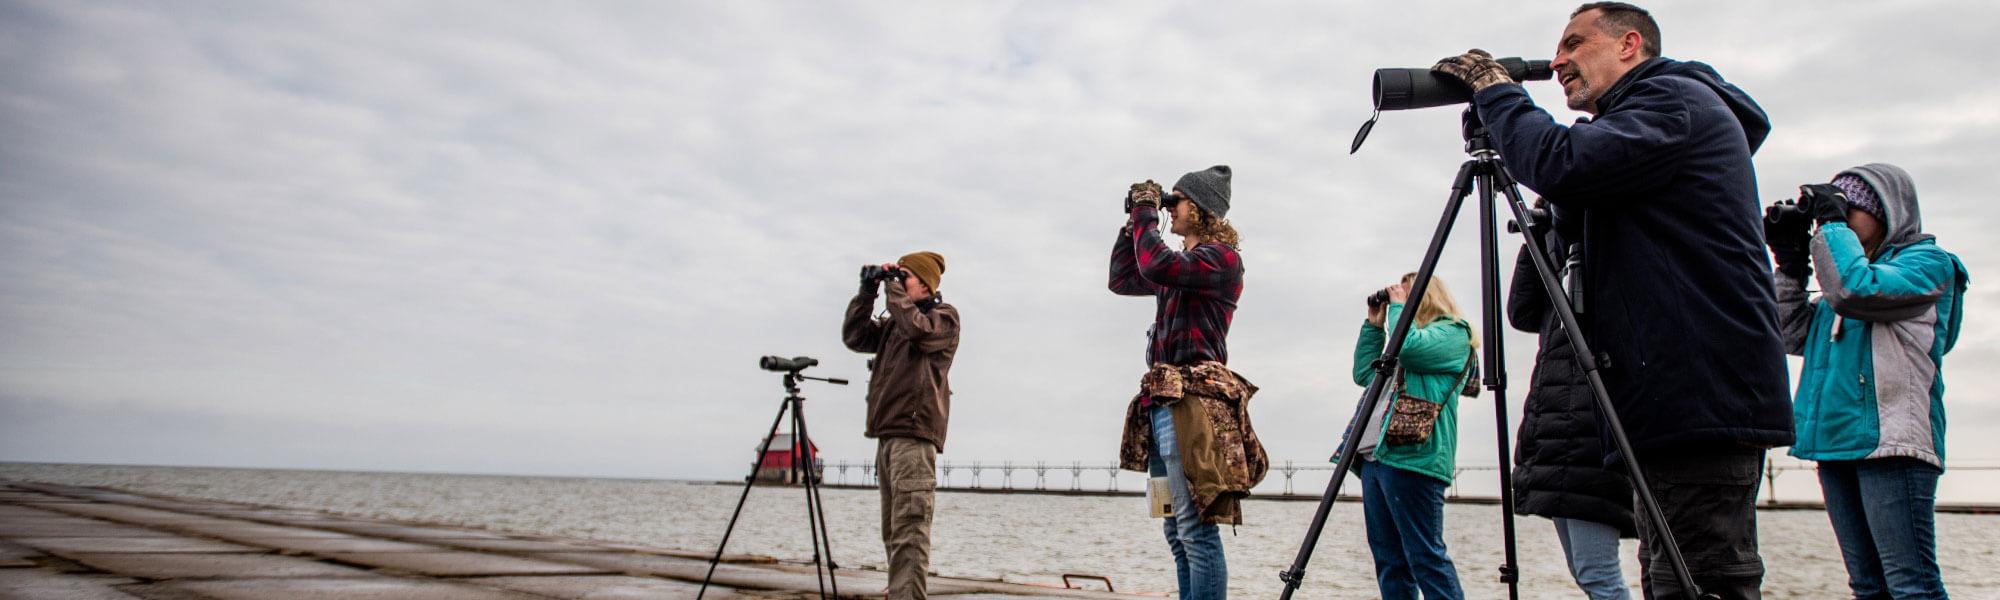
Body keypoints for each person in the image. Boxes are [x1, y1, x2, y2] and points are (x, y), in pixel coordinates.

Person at [1432, 3, 1794, 598]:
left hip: (1698, 395)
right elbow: (1530, 306)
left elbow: (1560, 163)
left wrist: (1498, 93)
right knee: (1669, 579)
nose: (1557, 61)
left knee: (1701, 581)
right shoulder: (1649, 130)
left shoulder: (1674, 101)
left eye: (1575, 43)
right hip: (1670, 398)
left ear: (1629, 45)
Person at [1769, 164, 1967, 599]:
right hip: (1836, 442)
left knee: (1911, 585)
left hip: (1891, 443)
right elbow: (1790, 332)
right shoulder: (1847, 278)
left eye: (1850, 209)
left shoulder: (1927, 264)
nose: (1838, 219)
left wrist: (1831, 224)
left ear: (1887, 212)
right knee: (1867, 587)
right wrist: (1790, 264)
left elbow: (1856, 291)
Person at [1110, 166, 1262, 600]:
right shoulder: (1180, 269)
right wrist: (1132, 225)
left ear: (1199, 208)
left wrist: (1145, 212)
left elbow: (1157, 262)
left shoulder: (1220, 260)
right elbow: (1123, 278)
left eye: (1174, 201)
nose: (1168, 209)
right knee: (1177, 531)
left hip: (1192, 405)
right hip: (1162, 403)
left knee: (1196, 530)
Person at [1508, 201, 1637, 600]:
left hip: (1591, 431)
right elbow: (1521, 312)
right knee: (1587, 574)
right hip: (1557, 431)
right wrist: (1536, 238)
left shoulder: (1609, 243)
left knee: (1598, 574)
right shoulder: (1558, 254)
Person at [1346, 273, 1476, 600]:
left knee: (1425, 556)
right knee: (1389, 560)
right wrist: (1374, 327)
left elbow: (1408, 349)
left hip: (1415, 457)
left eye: (1404, 294)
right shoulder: (1406, 338)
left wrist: (1398, 310)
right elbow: (1364, 373)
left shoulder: (1452, 333)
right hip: (1377, 456)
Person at [841, 251, 960, 600]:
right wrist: (867, 291)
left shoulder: (943, 318)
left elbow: (917, 332)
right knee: (893, 529)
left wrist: (892, 288)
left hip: (914, 434)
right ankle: (899, 590)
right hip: (888, 435)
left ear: (924, 283)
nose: (897, 282)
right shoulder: (896, 321)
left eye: (904, 275)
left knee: (910, 527)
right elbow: (855, 336)